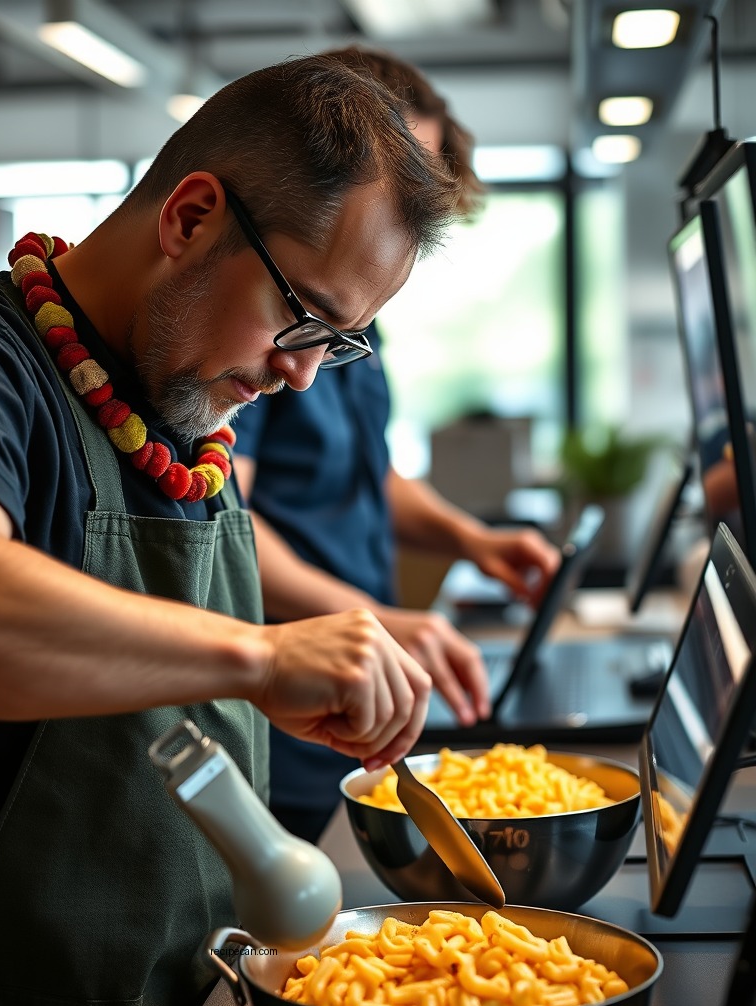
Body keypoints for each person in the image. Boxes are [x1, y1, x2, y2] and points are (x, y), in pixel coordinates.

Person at [0, 54, 460, 1006]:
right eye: (301, 316)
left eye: (335, 342)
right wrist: (258, 655)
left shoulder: (189, 422)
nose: (302, 375)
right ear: (190, 219)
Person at [232, 46, 563, 844]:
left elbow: (363, 472)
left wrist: (468, 538)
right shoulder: (274, 322)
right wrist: (372, 619)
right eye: (400, 172)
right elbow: (224, 520)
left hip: (364, 676)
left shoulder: (354, 322)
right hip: (292, 701)